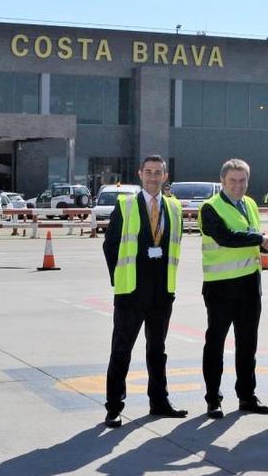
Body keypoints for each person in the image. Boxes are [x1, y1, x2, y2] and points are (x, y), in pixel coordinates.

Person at [102, 155, 187, 428]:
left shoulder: (174, 208)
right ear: (140, 174)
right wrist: (121, 279)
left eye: (158, 172)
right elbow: (110, 245)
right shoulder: (125, 205)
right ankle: (114, 407)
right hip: (131, 291)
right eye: (148, 172)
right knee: (121, 350)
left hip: (162, 292)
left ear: (165, 175)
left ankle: (159, 401)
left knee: (157, 349)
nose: (153, 177)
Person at [199, 159, 268, 419]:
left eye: (243, 181)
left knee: (247, 344)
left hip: (250, 285)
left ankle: (246, 396)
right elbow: (226, 237)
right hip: (221, 287)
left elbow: (254, 239)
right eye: (233, 180)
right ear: (222, 181)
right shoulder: (210, 207)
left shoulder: (250, 204)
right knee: (216, 344)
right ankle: (213, 399)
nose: (238, 186)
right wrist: (260, 239)